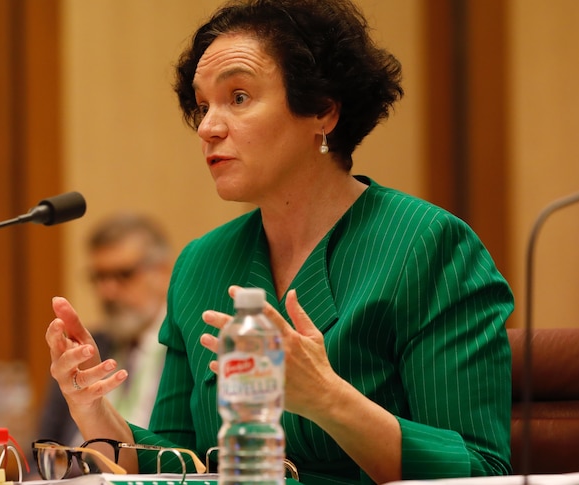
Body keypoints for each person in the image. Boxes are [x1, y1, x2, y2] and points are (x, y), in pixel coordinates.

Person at [45, 1, 514, 484]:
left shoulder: (428, 245)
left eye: (239, 97)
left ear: (323, 111)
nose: (207, 127)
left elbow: (483, 472)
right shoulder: (201, 264)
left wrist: (327, 398)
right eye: (203, 106)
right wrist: (96, 411)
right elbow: (185, 466)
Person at [36, 212, 172, 452]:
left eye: (123, 275)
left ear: (161, 272)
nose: (107, 291)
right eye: (99, 277)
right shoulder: (82, 349)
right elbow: (44, 446)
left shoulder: (186, 343)